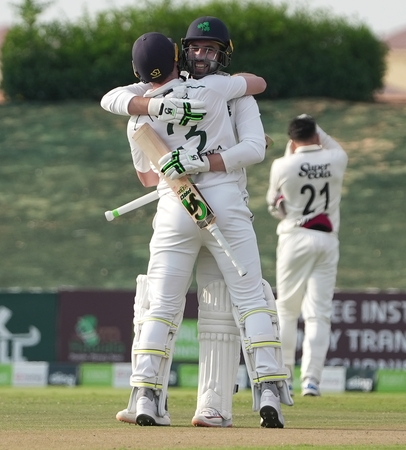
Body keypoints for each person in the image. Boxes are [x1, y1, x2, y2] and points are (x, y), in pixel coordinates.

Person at [100, 31, 292, 428]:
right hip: (226, 204)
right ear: (179, 56)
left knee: (162, 304)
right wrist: (205, 161)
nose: (201, 54)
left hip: (175, 205)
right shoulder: (216, 88)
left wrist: (168, 142)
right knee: (249, 296)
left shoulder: (139, 112)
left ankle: (145, 397)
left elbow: (147, 178)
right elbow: (257, 92)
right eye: (194, 49)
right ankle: (268, 389)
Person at [265, 114, 348, 397]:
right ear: (316, 134)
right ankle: (311, 380)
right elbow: (328, 143)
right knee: (319, 314)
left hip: (294, 237)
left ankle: (285, 376)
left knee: (287, 310)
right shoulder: (336, 158)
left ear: (291, 140)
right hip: (326, 238)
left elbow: (274, 206)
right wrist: (311, 126)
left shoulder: (282, 165)